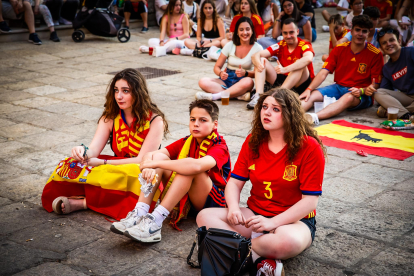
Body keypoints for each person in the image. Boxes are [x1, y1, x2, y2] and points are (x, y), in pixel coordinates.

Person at [197, 88, 326, 276]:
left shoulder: (309, 147)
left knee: (288, 242)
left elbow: (310, 201)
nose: (266, 112)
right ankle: (261, 260)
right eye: (264, 107)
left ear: (290, 114)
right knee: (204, 217)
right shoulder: (253, 141)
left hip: (293, 222)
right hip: (254, 215)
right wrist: (233, 208)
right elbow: (234, 182)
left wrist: (272, 223)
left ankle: (233, 251)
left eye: (275, 109)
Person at [41, 68, 168, 219]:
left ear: (138, 93)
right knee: (69, 164)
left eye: (125, 91)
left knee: (133, 175)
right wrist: (82, 151)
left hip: (140, 170)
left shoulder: (155, 120)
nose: (119, 96)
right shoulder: (110, 117)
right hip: (114, 167)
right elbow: (94, 149)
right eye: (116, 90)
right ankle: (97, 199)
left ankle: (84, 203)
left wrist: (102, 162)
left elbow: (142, 160)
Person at [113, 99, 231, 241]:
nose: (196, 124)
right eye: (193, 119)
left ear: (215, 124)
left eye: (203, 120)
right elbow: (151, 154)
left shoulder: (220, 146)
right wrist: (148, 164)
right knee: (161, 158)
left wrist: (155, 163)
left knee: (187, 168)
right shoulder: (188, 140)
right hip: (190, 196)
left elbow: (196, 166)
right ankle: (140, 212)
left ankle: (155, 221)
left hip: (212, 202)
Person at [300, 15, 384, 125]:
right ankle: (290, 114)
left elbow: (376, 84)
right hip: (338, 87)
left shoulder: (376, 54)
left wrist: (362, 91)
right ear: (351, 30)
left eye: (364, 31)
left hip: (360, 93)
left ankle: (314, 117)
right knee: (312, 95)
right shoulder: (339, 48)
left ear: (369, 33)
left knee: (348, 98)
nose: (360, 34)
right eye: (357, 30)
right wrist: (309, 89)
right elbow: (323, 72)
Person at [249, 19, 315, 109]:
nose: (288, 36)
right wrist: (258, 64)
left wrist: (285, 69)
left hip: (301, 84)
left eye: (291, 32)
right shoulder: (280, 45)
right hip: (284, 80)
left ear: (297, 32)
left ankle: (277, 95)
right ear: (282, 33)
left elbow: (308, 59)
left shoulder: (304, 44)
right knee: (262, 60)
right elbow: (256, 55)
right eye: (285, 33)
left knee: (300, 64)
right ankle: (258, 96)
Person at [197, 17, 263, 101]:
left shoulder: (258, 48)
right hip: (226, 79)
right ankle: (238, 95)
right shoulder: (230, 45)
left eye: (247, 29)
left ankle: (216, 96)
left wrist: (246, 73)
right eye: (241, 30)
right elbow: (216, 67)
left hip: (242, 80)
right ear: (237, 32)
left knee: (249, 82)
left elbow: (258, 73)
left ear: (252, 31)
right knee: (202, 81)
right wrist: (220, 73)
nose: (245, 33)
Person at [375, 26, 414, 119]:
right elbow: (384, 94)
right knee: (378, 92)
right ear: (381, 48)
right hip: (407, 97)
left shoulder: (411, 52)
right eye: (384, 43)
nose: (388, 44)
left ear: (399, 41)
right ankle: (406, 115)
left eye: (391, 40)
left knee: (382, 110)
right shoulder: (386, 68)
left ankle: (396, 112)